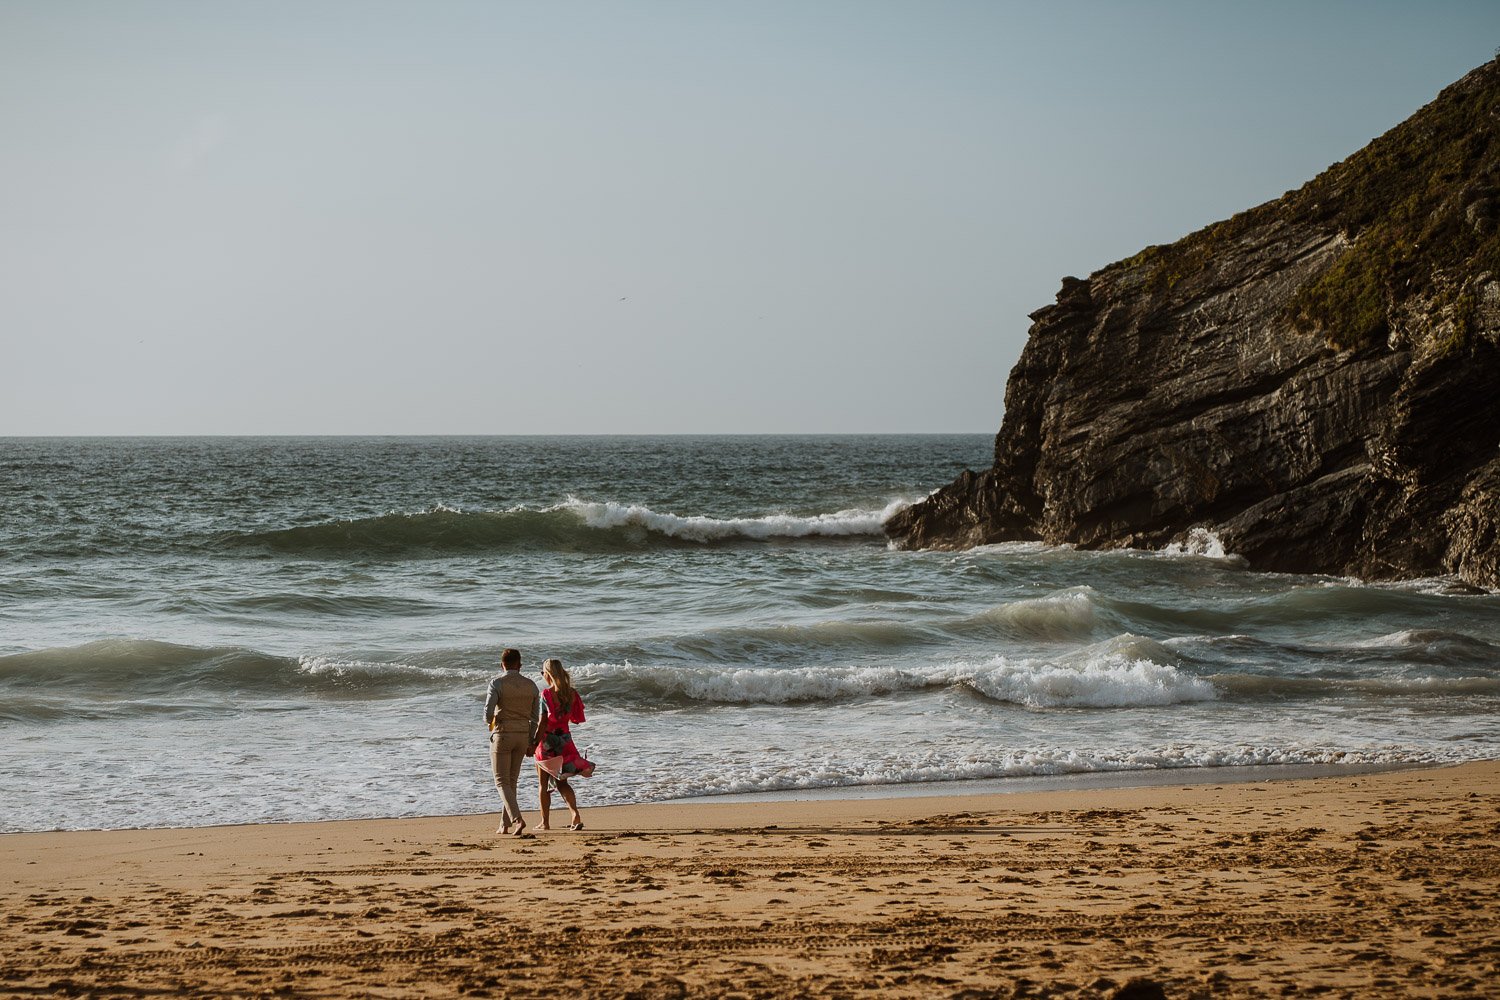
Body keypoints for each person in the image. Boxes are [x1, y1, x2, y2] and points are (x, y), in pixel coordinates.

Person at [484, 648, 540, 837]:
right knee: (511, 782)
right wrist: (531, 741)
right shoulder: (531, 685)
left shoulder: (497, 683)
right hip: (523, 734)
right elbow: (535, 718)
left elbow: (487, 714)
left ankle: (517, 819)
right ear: (520, 665)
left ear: (502, 665)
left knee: (501, 782)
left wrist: (492, 722)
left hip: (503, 733)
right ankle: (504, 825)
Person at [534, 658, 594, 831]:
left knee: (543, 785)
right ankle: (575, 814)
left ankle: (544, 822)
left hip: (547, 744)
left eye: (542, 673)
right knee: (562, 783)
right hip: (565, 742)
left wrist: (533, 743)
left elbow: (542, 723)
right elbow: (577, 720)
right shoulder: (572, 694)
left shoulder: (545, 694)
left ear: (547, 674)